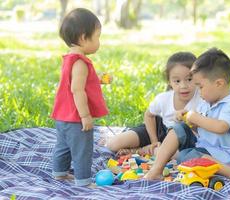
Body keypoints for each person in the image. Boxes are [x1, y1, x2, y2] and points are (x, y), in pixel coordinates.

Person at [145, 48, 230, 183]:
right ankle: (155, 171)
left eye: (200, 86)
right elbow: (200, 129)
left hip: (221, 156)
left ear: (219, 83)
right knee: (178, 129)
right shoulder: (207, 102)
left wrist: (195, 117)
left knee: (189, 156)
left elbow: (221, 127)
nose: (198, 91)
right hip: (202, 146)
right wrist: (189, 122)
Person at [51, 8, 110, 187]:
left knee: (63, 147)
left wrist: (98, 79)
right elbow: (77, 90)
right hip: (76, 118)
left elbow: (76, 82)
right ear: (84, 37)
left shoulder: (70, 58)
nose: (99, 42)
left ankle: (59, 173)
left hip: (63, 115)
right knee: (82, 149)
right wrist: (85, 115)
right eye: (97, 36)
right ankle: (83, 181)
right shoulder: (81, 62)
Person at [106, 52, 202, 156]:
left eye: (189, 79)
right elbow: (149, 115)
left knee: (178, 156)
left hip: (182, 137)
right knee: (113, 144)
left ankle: (139, 151)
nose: (183, 86)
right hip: (159, 128)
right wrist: (154, 141)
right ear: (169, 81)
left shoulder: (203, 98)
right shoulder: (164, 98)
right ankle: (150, 148)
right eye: (177, 81)